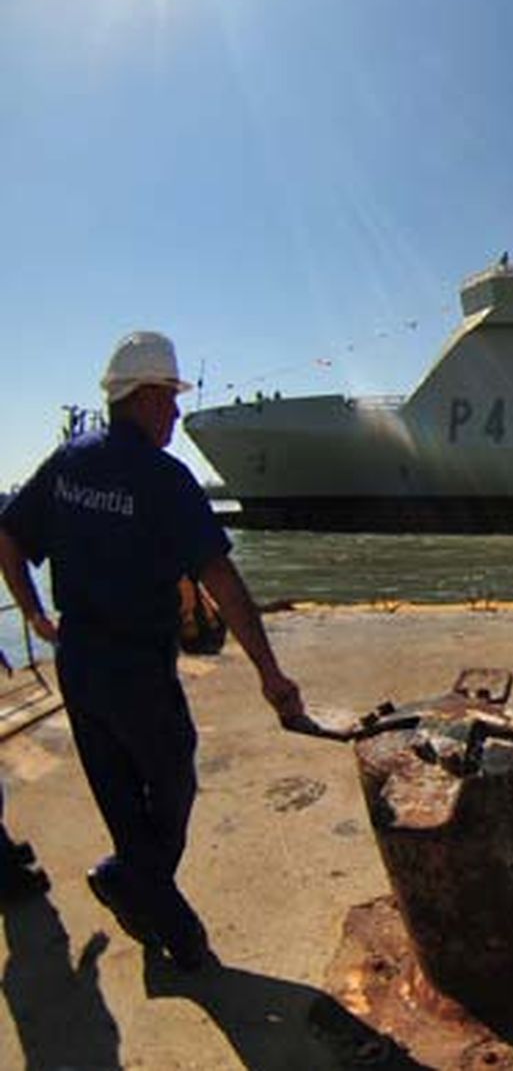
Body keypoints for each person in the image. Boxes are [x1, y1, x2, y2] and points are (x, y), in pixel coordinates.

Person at [0, 331, 306, 969]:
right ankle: (162, 913)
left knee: (119, 796)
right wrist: (271, 675)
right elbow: (223, 579)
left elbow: (7, 534)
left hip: (79, 664)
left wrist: (32, 612)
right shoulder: (166, 480)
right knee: (172, 783)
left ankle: (131, 880)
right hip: (137, 668)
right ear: (141, 397)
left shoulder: (67, 462)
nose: (175, 413)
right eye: (169, 398)